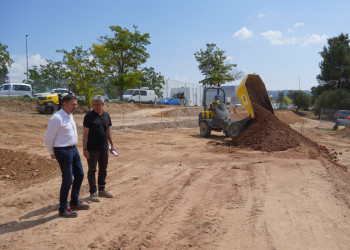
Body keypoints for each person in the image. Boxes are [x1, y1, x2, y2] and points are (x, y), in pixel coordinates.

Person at [44, 95, 89, 218]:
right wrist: (52, 152)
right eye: (73, 104)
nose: (76, 107)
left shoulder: (69, 115)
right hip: (62, 151)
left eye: (76, 104)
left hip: (73, 149)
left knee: (79, 175)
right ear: (65, 104)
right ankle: (63, 209)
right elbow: (48, 138)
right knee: (68, 180)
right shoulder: (56, 118)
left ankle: (74, 202)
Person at [83, 95, 116, 202]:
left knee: (103, 170)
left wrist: (112, 145)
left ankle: (102, 190)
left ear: (103, 104)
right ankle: (93, 192)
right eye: (94, 104)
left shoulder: (106, 115)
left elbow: (108, 131)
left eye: (98, 104)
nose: (96, 106)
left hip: (104, 148)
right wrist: (85, 149)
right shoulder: (88, 116)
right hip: (92, 149)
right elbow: (85, 134)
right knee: (92, 170)